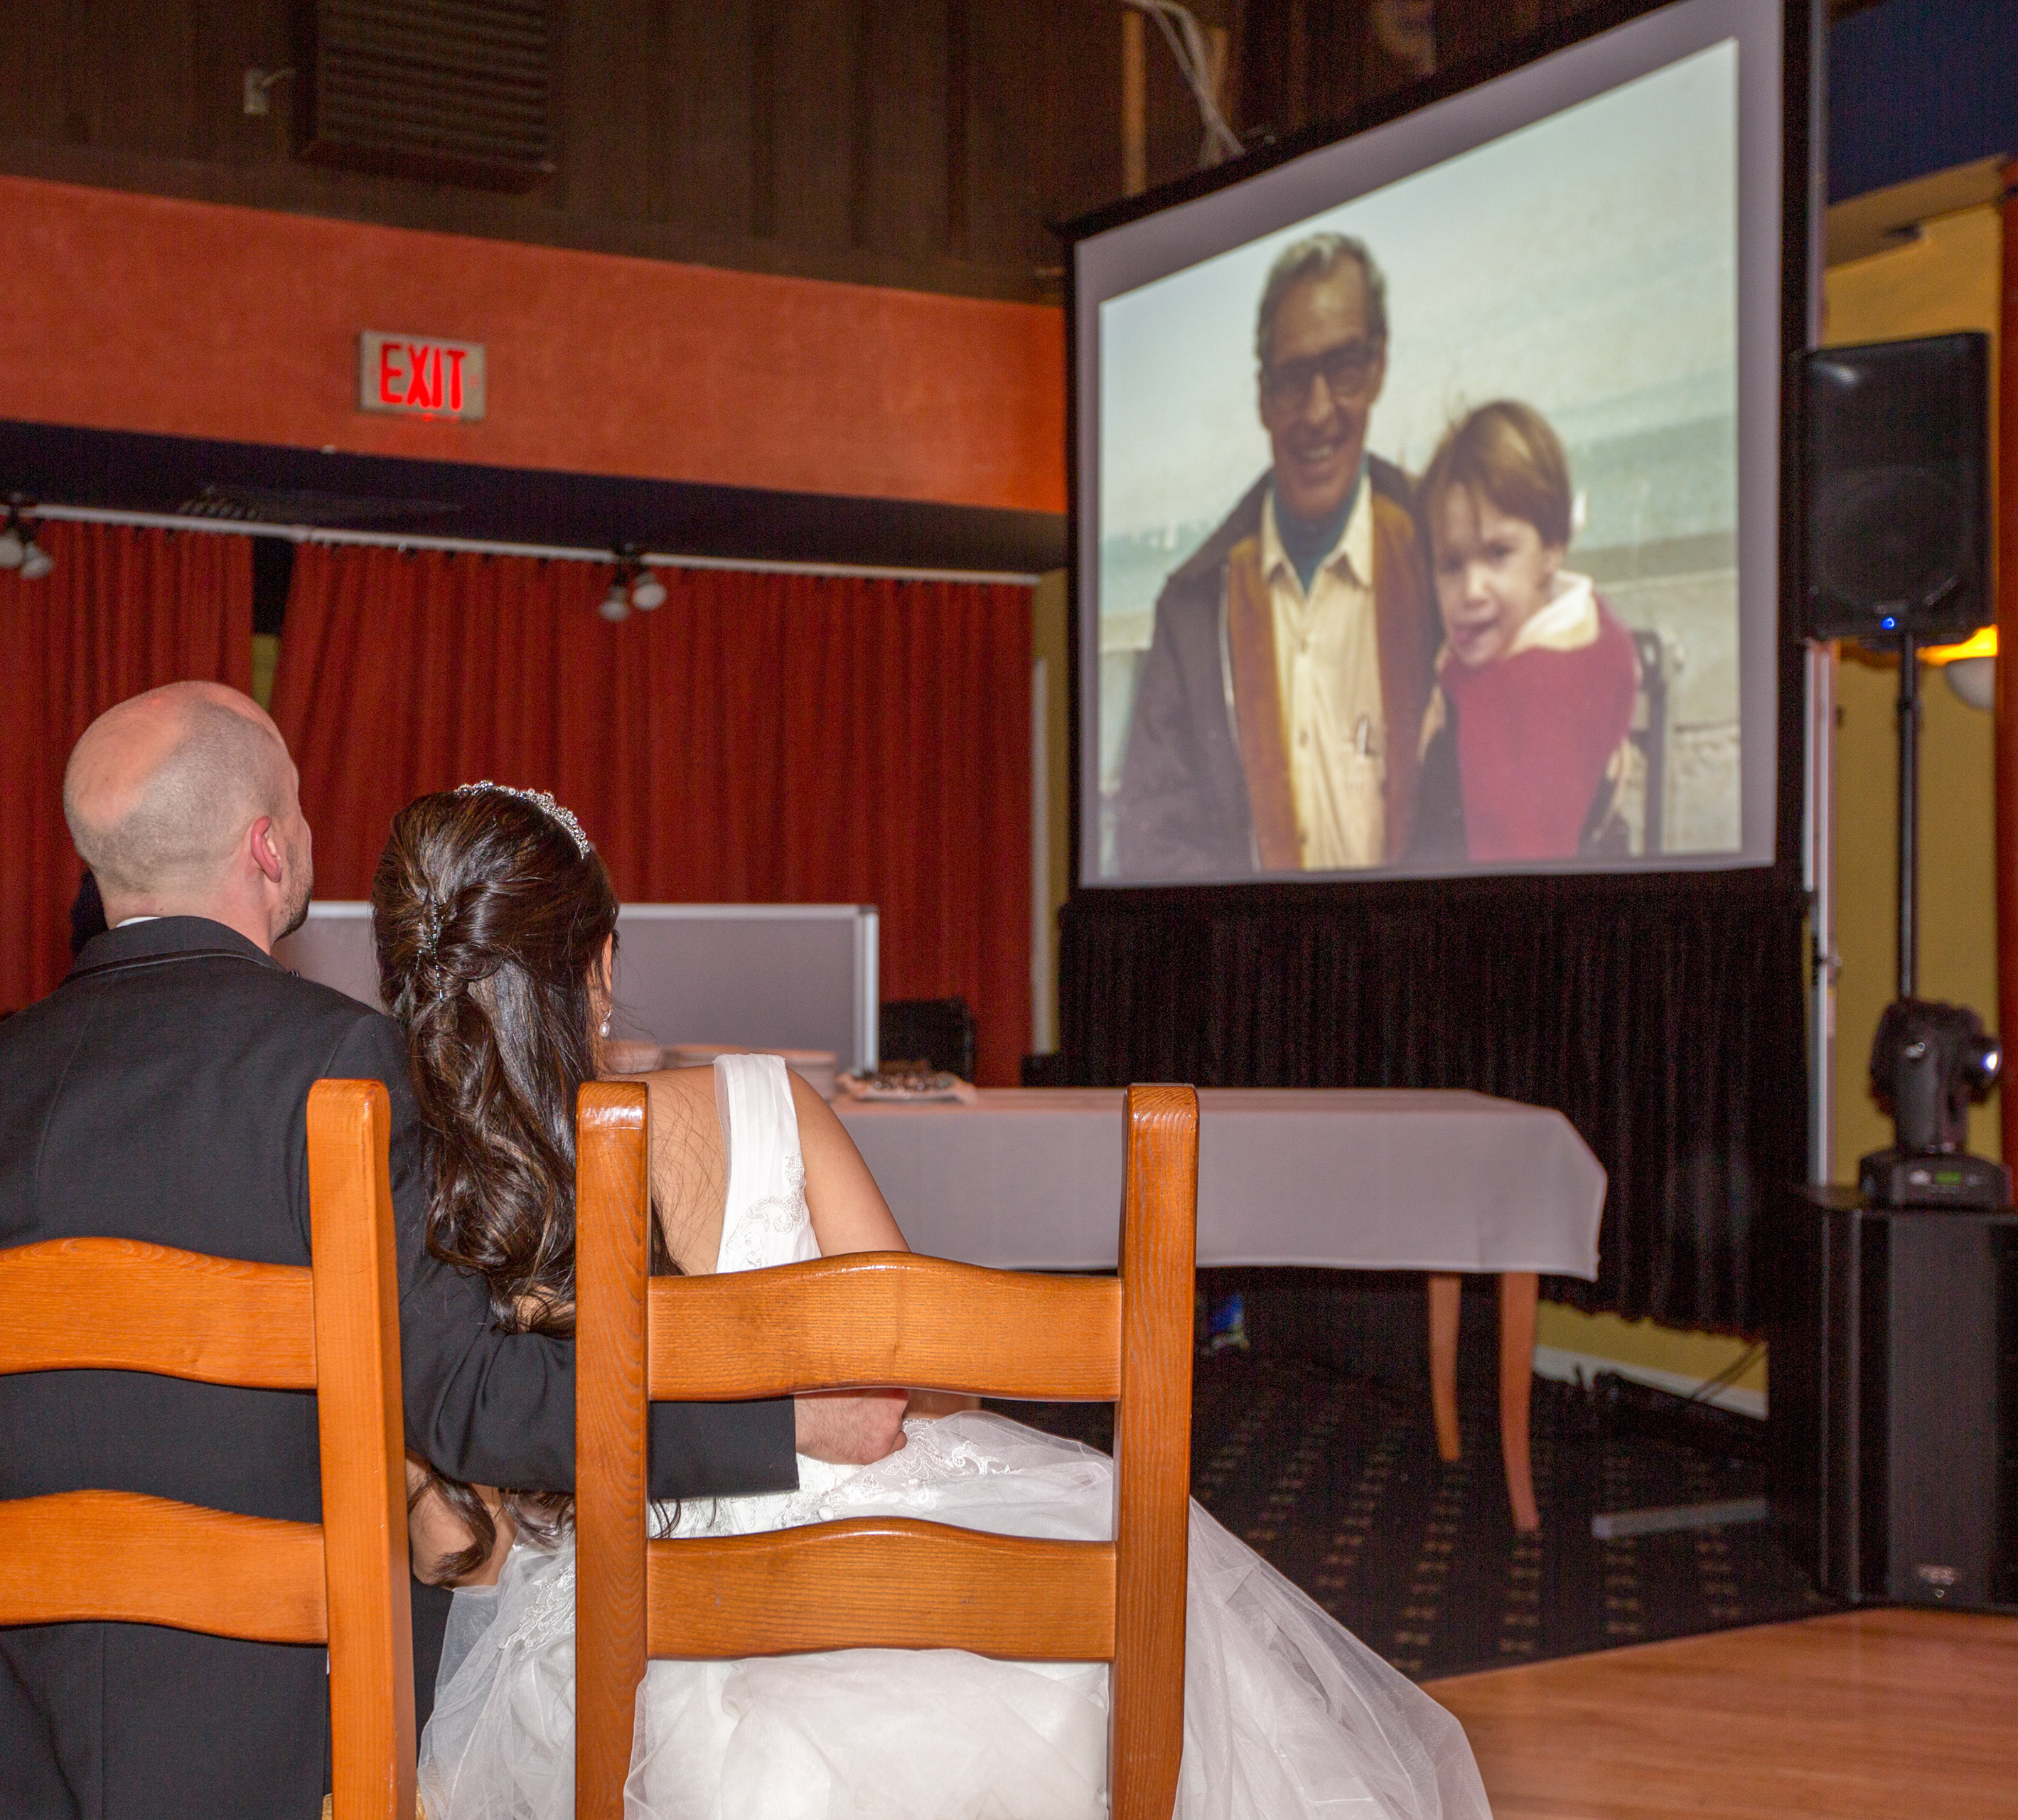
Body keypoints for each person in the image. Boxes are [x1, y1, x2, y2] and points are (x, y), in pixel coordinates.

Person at [383, 785, 1491, 1820]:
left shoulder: (448, 1198)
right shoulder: (762, 1101)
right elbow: (921, 1372)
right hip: (917, 1594)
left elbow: (460, 1545)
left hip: (630, 1676)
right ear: (602, 964)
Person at [0, 687, 903, 1819]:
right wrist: (778, 1428)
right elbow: (470, 1399)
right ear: (269, 850)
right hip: (289, 1727)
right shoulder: (342, 1064)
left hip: (19, 1741)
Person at [1115, 232, 1439, 879]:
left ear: (1378, 367)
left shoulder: (1441, 556)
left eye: (1343, 368)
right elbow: (1153, 843)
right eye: (1292, 380)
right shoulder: (1193, 606)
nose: (1318, 412)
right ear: (1263, 397)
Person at [1410, 401, 1640, 863]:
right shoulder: (1588, 628)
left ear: (1552, 548)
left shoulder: (1535, 702)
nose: (1471, 590)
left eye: (1498, 554)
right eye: (1451, 565)